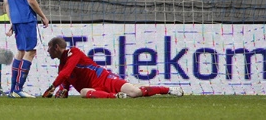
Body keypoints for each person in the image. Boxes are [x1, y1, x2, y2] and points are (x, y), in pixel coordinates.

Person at [43, 37, 184, 98]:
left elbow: (65, 74)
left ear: (56, 47)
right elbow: (65, 85)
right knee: (84, 92)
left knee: (134, 92)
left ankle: (168, 90)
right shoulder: (62, 67)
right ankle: (116, 97)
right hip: (94, 89)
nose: (48, 51)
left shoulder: (73, 52)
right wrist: (61, 92)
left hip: (105, 79)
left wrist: (51, 87)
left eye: (49, 48)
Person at [3, 0, 49, 98]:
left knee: (21, 51)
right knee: (30, 52)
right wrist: (43, 16)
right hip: (26, 18)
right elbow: (31, 1)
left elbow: (6, 1)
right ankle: (18, 89)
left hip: (16, 18)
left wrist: (11, 21)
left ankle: (13, 90)